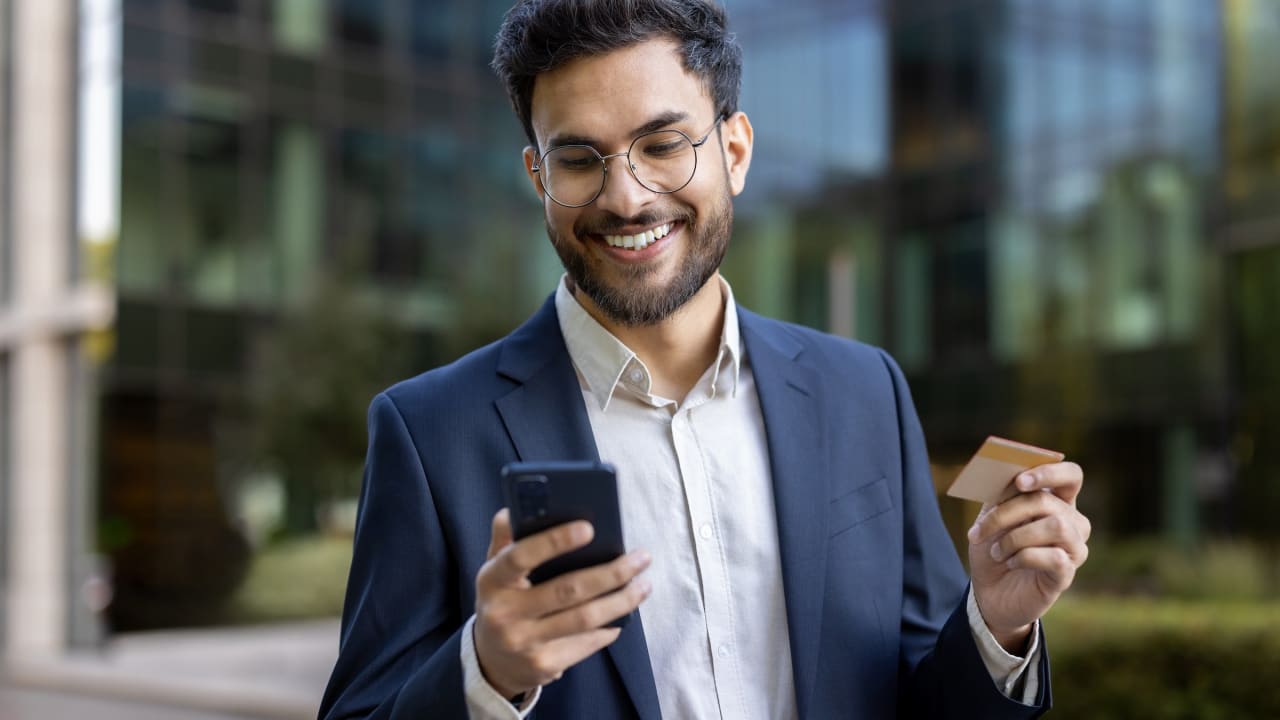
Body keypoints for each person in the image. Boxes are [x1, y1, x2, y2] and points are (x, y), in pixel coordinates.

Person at [318, 1, 1091, 718]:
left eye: (662, 145)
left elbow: (920, 694)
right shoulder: (429, 433)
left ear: (735, 149)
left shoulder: (864, 393)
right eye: (581, 158)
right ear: (538, 178)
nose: (626, 197)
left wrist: (994, 624)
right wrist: (485, 672)